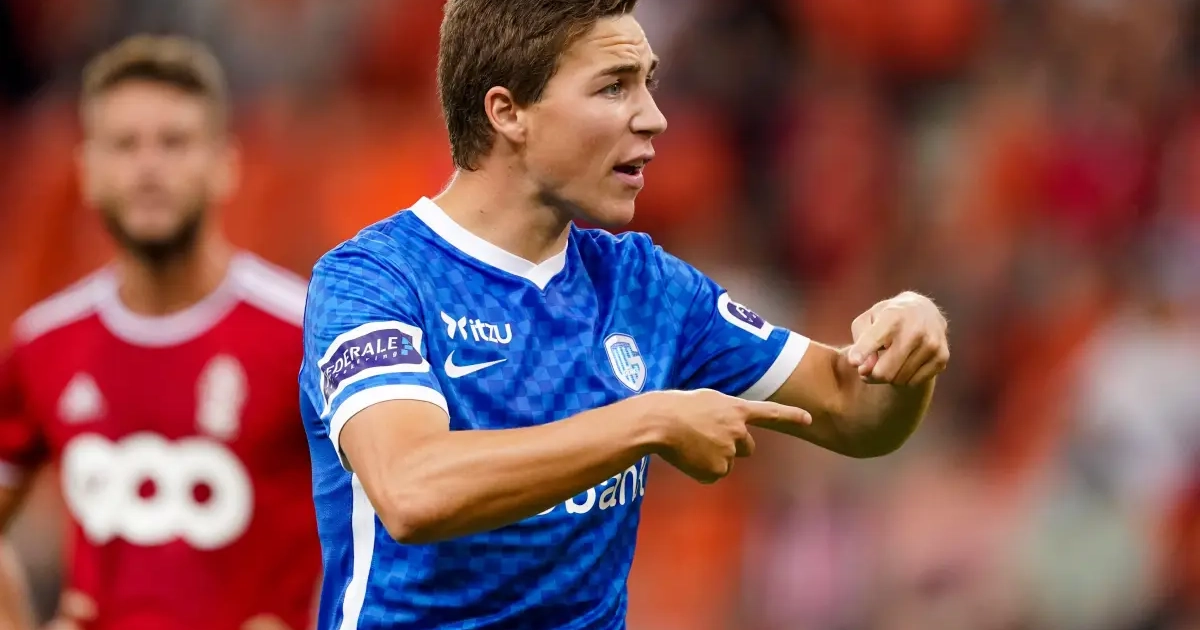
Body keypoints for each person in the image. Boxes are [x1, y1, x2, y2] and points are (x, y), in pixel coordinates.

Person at [298, 1, 950, 628]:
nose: (654, 118)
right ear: (508, 111)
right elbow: (412, 489)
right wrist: (647, 420)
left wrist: (908, 339)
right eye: (613, 87)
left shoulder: (645, 286)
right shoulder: (374, 279)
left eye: (648, 84)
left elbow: (854, 412)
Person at [0, 35, 321, 629]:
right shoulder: (43, 343)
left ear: (226, 165)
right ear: (87, 171)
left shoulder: (305, 331)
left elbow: (391, 513)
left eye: (174, 142)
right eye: (125, 145)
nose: (149, 167)